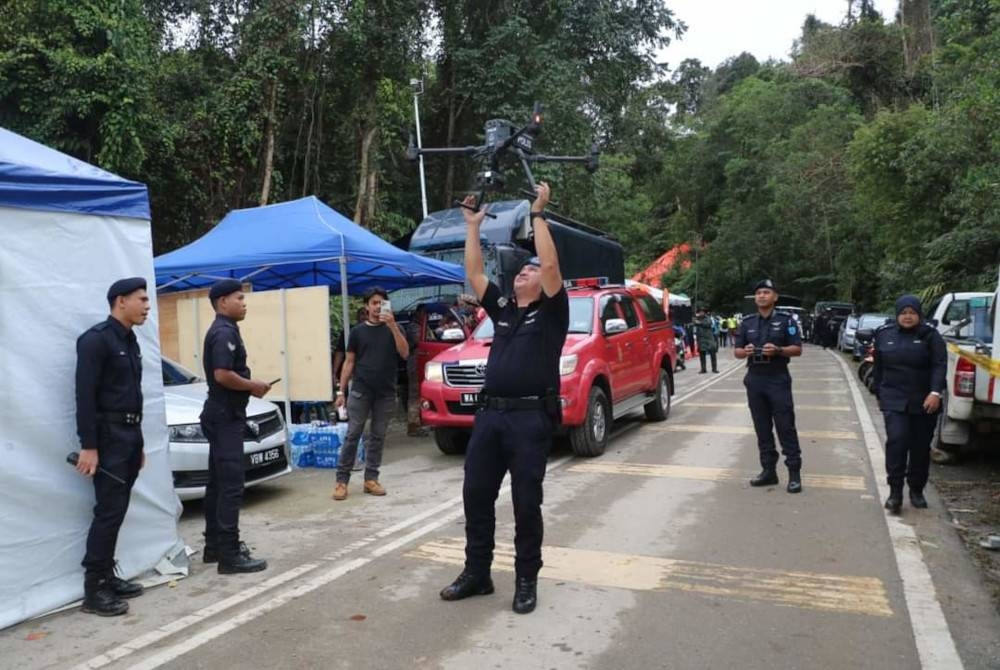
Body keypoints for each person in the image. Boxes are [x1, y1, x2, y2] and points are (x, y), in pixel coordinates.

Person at [439, 182, 567, 615]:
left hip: (531, 419)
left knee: (526, 503)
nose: (522, 274)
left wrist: (537, 214)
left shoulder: (551, 312)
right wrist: (472, 227)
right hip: (490, 419)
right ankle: (478, 573)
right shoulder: (506, 311)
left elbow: (549, 263)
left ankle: (527, 579)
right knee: (475, 495)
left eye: (528, 272)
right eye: (520, 271)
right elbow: (475, 276)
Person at [75, 277, 150, 616]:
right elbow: (85, 396)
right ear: (121, 301)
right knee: (108, 512)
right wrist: (89, 446)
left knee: (117, 510)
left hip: (130, 437)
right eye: (142, 299)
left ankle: (107, 575)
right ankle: (94, 590)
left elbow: (134, 395)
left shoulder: (131, 340)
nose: (147, 306)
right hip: (108, 439)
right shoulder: (95, 341)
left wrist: (141, 443)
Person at [200, 279, 271, 573]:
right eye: (239, 298)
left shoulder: (226, 329)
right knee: (231, 485)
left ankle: (214, 547)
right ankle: (229, 555)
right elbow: (222, 374)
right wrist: (253, 386)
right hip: (225, 415)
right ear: (222, 302)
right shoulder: (223, 332)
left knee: (217, 483)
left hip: (222, 414)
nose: (244, 303)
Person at [333, 286, 409, 500]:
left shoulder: (394, 329)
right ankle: (341, 481)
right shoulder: (358, 332)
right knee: (352, 434)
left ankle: (371, 479)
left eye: (381, 303)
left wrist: (393, 325)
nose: (377, 307)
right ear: (366, 307)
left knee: (377, 436)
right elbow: (349, 362)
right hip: (361, 391)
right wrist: (341, 391)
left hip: (385, 393)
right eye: (373, 303)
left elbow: (404, 353)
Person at [872, 295, 947, 514]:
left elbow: (939, 365)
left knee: (920, 448)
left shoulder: (930, 336)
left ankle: (916, 489)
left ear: (919, 315)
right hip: (894, 399)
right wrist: (879, 392)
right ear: (897, 315)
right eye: (903, 313)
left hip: (924, 402)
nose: (907, 317)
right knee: (897, 441)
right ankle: (895, 493)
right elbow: (878, 367)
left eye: (912, 313)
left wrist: (935, 393)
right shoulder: (885, 335)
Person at [734, 279, 804, 493]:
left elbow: (797, 349)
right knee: (762, 428)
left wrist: (779, 350)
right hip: (755, 378)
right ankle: (768, 471)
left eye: (766, 292)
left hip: (777, 378)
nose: (762, 296)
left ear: (775, 297)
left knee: (785, 426)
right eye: (759, 293)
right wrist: (744, 351)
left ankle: (794, 473)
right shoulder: (747, 323)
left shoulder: (786, 321)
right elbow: (736, 352)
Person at [405, 305, 429, 437]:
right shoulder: (413, 327)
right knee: (414, 394)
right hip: (415, 362)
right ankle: (413, 425)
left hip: (421, 362)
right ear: (419, 313)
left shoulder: (422, 326)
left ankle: (421, 422)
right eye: (423, 313)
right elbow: (418, 341)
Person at [692, 307, 718, 373]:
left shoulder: (708, 318)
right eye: (700, 312)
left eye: (702, 312)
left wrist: (699, 323)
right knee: (702, 354)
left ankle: (714, 368)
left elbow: (708, 324)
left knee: (713, 353)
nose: (701, 313)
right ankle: (703, 369)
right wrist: (695, 320)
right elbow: (693, 323)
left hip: (709, 338)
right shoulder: (697, 318)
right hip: (701, 339)